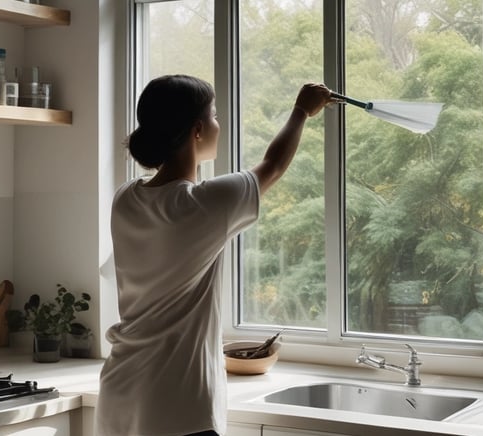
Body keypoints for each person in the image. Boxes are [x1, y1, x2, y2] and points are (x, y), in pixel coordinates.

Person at [96, 75, 333, 436]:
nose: (219, 124)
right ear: (197, 130)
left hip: (119, 392)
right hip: (177, 403)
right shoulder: (203, 205)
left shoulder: (125, 198)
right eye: (215, 115)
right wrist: (301, 111)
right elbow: (272, 166)